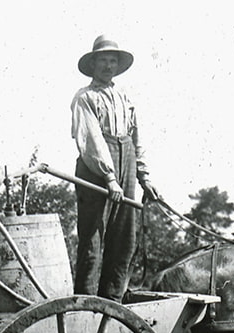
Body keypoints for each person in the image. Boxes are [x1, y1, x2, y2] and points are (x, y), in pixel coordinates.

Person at [70, 34, 158, 302]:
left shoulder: (124, 97)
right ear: (93, 64)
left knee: (125, 239)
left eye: (112, 61)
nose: (108, 66)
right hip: (96, 168)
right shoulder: (85, 98)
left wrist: (145, 177)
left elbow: (136, 139)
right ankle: (85, 303)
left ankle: (112, 302)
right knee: (93, 239)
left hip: (127, 161)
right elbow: (92, 141)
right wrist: (109, 177)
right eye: (103, 61)